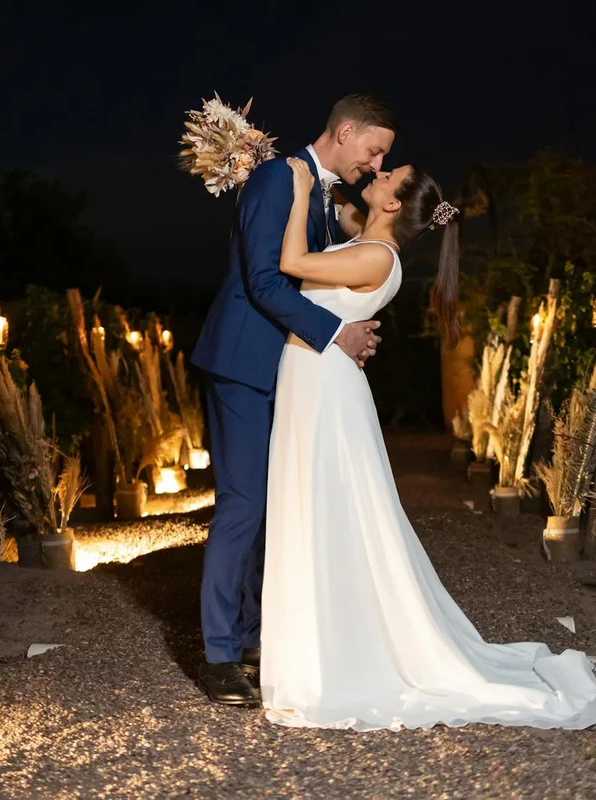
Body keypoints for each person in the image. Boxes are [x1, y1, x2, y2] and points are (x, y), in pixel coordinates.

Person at [257, 156, 596, 731]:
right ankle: (322, 642)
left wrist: (298, 187)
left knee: (329, 510)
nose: (373, 177)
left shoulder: (378, 256)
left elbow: (291, 264)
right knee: (323, 509)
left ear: (396, 203)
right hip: (316, 379)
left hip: (323, 386)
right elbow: (350, 214)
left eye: (384, 178)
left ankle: (334, 657)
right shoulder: (372, 240)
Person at [191, 94, 397, 706]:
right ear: (347, 130)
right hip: (242, 365)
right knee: (243, 506)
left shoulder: (324, 196)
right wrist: (338, 333)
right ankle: (220, 655)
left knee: (270, 507)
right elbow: (262, 280)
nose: (377, 161)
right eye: (375, 149)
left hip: (282, 371)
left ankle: (253, 638)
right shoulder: (278, 177)